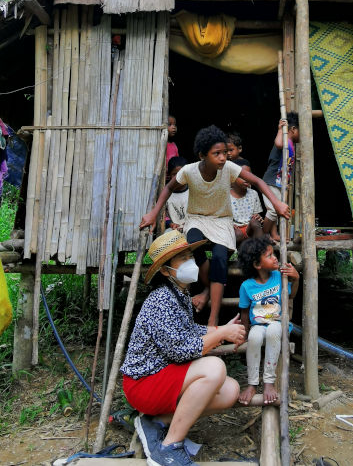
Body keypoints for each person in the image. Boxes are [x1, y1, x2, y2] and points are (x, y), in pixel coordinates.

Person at [140, 125, 290, 326]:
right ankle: (207, 290)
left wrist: (277, 202)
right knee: (194, 242)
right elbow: (168, 187)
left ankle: (213, 318)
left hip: (221, 221)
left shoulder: (228, 168)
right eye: (216, 153)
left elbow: (258, 182)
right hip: (197, 219)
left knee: (220, 258)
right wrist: (153, 213)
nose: (222, 158)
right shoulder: (189, 171)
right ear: (203, 155)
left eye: (225, 153)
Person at [121, 229, 246, 466]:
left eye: (191, 256)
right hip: (143, 383)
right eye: (184, 258)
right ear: (167, 270)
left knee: (230, 391)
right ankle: (169, 447)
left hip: (162, 377)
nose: (192, 262)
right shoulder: (161, 300)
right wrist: (222, 333)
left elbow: (190, 332)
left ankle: (157, 422)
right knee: (214, 368)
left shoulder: (179, 295)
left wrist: (221, 329)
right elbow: (182, 350)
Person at [237, 236, 299, 405]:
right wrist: (243, 333)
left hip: (278, 324)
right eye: (270, 255)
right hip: (258, 325)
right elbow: (244, 312)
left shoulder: (279, 276)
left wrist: (296, 278)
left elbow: (291, 296)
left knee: (272, 331)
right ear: (257, 265)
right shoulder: (247, 286)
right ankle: (252, 383)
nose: (275, 258)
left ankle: (269, 382)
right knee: (254, 338)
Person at [262, 112, 300, 242]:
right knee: (273, 210)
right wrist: (280, 130)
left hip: (278, 182)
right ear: (293, 129)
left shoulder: (291, 144)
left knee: (276, 210)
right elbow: (278, 143)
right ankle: (263, 235)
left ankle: (273, 234)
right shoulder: (285, 140)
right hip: (271, 181)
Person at [230, 159, 264, 246]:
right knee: (237, 234)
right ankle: (240, 256)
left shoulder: (253, 193)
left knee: (255, 223)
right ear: (232, 177)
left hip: (250, 228)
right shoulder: (225, 195)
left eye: (249, 176)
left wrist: (258, 217)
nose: (246, 179)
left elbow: (257, 215)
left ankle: (260, 252)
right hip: (235, 230)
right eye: (242, 176)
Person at [165, 156, 189, 232]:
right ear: (169, 175)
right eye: (174, 174)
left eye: (181, 173)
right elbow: (163, 215)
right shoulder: (166, 194)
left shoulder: (192, 190)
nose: (178, 177)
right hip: (174, 229)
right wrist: (170, 224)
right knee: (167, 233)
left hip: (191, 227)